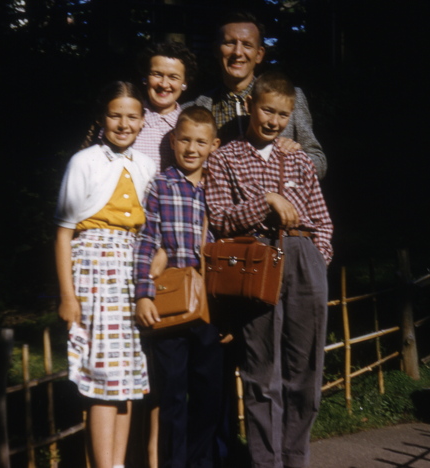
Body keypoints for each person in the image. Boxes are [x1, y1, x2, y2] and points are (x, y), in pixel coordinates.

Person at [205, 71, 333, 468]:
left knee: (306, 370)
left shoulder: (297, 158)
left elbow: (323, 221)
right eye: (267, 110)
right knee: (262, 373)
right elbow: (221, 220)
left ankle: (296, 458)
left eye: (282, 114)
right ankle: (266, 462)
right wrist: (267, 201)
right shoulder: (224, 157)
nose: (273, 121)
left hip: (303, 259)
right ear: (249, 106)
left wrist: (317, 259)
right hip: (256, 262)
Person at [54, 81, 157, 468]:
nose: (123, 124)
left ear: (143, 121)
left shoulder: (146, 166)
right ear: (102, 118)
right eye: (115, 115)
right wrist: (68, 297)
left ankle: (117, 463)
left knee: (127, 375)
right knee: (103, 378)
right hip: (95, 272)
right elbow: (64, 233)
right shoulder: (85, 162)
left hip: (133, 272)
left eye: (132, 116)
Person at [134, 106, 224, 468]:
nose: (191, 148)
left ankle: (201, 462)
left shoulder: (218, 188)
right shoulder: (161, 184)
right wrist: (142, 292)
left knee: (209, 394)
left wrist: (229, 314)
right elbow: (146, 240)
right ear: (172, 141)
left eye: (200, 142)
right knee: (171, 395)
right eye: (184, 139)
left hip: (210, 308)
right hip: (170, 304)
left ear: (213, 145)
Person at [187, 11, 327, 179]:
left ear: (259, 54)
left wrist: (295, 158)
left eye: (247, 45)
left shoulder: (292, 98)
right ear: (217, 50)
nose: (238, 52)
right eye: (230, 43)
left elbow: (319, 162)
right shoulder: (198, 107)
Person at [133, 41, 198, 171]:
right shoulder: (128, 120)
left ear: (184, 83)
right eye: (157, 74)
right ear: (145, 78)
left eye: (173, 77)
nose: (163, 84)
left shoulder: (193, 125)